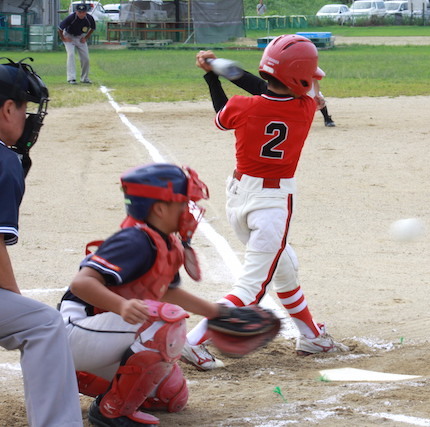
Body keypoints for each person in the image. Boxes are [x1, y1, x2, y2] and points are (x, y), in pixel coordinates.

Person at [58, 163, 279, 426]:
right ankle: (111, 411)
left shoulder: (164, 240)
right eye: (183, 203)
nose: (190, 210)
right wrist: (121, 306)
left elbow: (167, 292)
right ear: (160, 208)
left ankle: (78, 376)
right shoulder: (133, 240)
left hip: (102, 335)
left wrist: (219, 313)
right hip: (73, 332)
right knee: (165, 323)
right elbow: (82, 284)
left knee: (168, 395)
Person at [182, 35, 349, 371]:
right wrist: (218, 68)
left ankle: (311, 335)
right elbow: (272, 86)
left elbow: (238, 102)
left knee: (285, 267)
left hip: (238, 198)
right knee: (252, 289)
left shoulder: (243, 107)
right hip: (271, 205)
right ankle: (192, 341)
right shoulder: (305, 109)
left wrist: (213, 72)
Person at [0, 58, 83, 427]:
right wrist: (14, 302)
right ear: (6, 109)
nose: (30, 118)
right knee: (43, 324)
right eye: (25, 108)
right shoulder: (4, 160)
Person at [58, 3, 95, 84]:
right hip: (69, 36)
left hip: (80, 37)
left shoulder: (89, 18)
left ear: (86, 12)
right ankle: (71, 78)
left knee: (86, 58)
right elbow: (60, 29)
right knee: (71, 55)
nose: (81, 14)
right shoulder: (71, 18)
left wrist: (86, 37)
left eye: (83, 12)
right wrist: (63, 39)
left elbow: (92, 28)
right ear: (76, 12)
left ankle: (84, 78)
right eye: (79, 12)